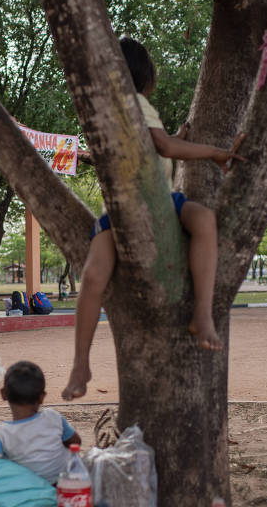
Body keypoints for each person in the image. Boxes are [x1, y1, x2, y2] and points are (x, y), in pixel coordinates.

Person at [62, 37, 245, 401]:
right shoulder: (135, 103)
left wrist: (174, 138)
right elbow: (163, 147)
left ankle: (80, 363)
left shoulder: (107, 109)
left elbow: (155, 148)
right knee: (204, 221)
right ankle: (203, 314)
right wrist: (215, 153)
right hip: (151, 205)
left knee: (93, 278)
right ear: (144, 76)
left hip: (137, 207)